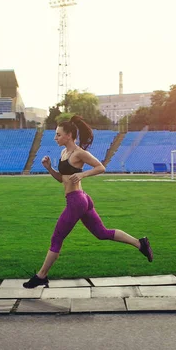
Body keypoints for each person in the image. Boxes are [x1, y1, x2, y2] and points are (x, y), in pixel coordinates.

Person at [23, 115, 153, 289]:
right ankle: (140, 243)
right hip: (81, 199)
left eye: (58, 134)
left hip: (77, 201)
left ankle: (41, 276)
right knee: (102, 233)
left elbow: (101, 167)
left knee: (57, 238)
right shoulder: (64, 153)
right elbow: (63, 179)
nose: (55, 138)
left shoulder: (79, 153)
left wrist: (83, 174)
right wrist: (49, 168)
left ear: (69, 135)